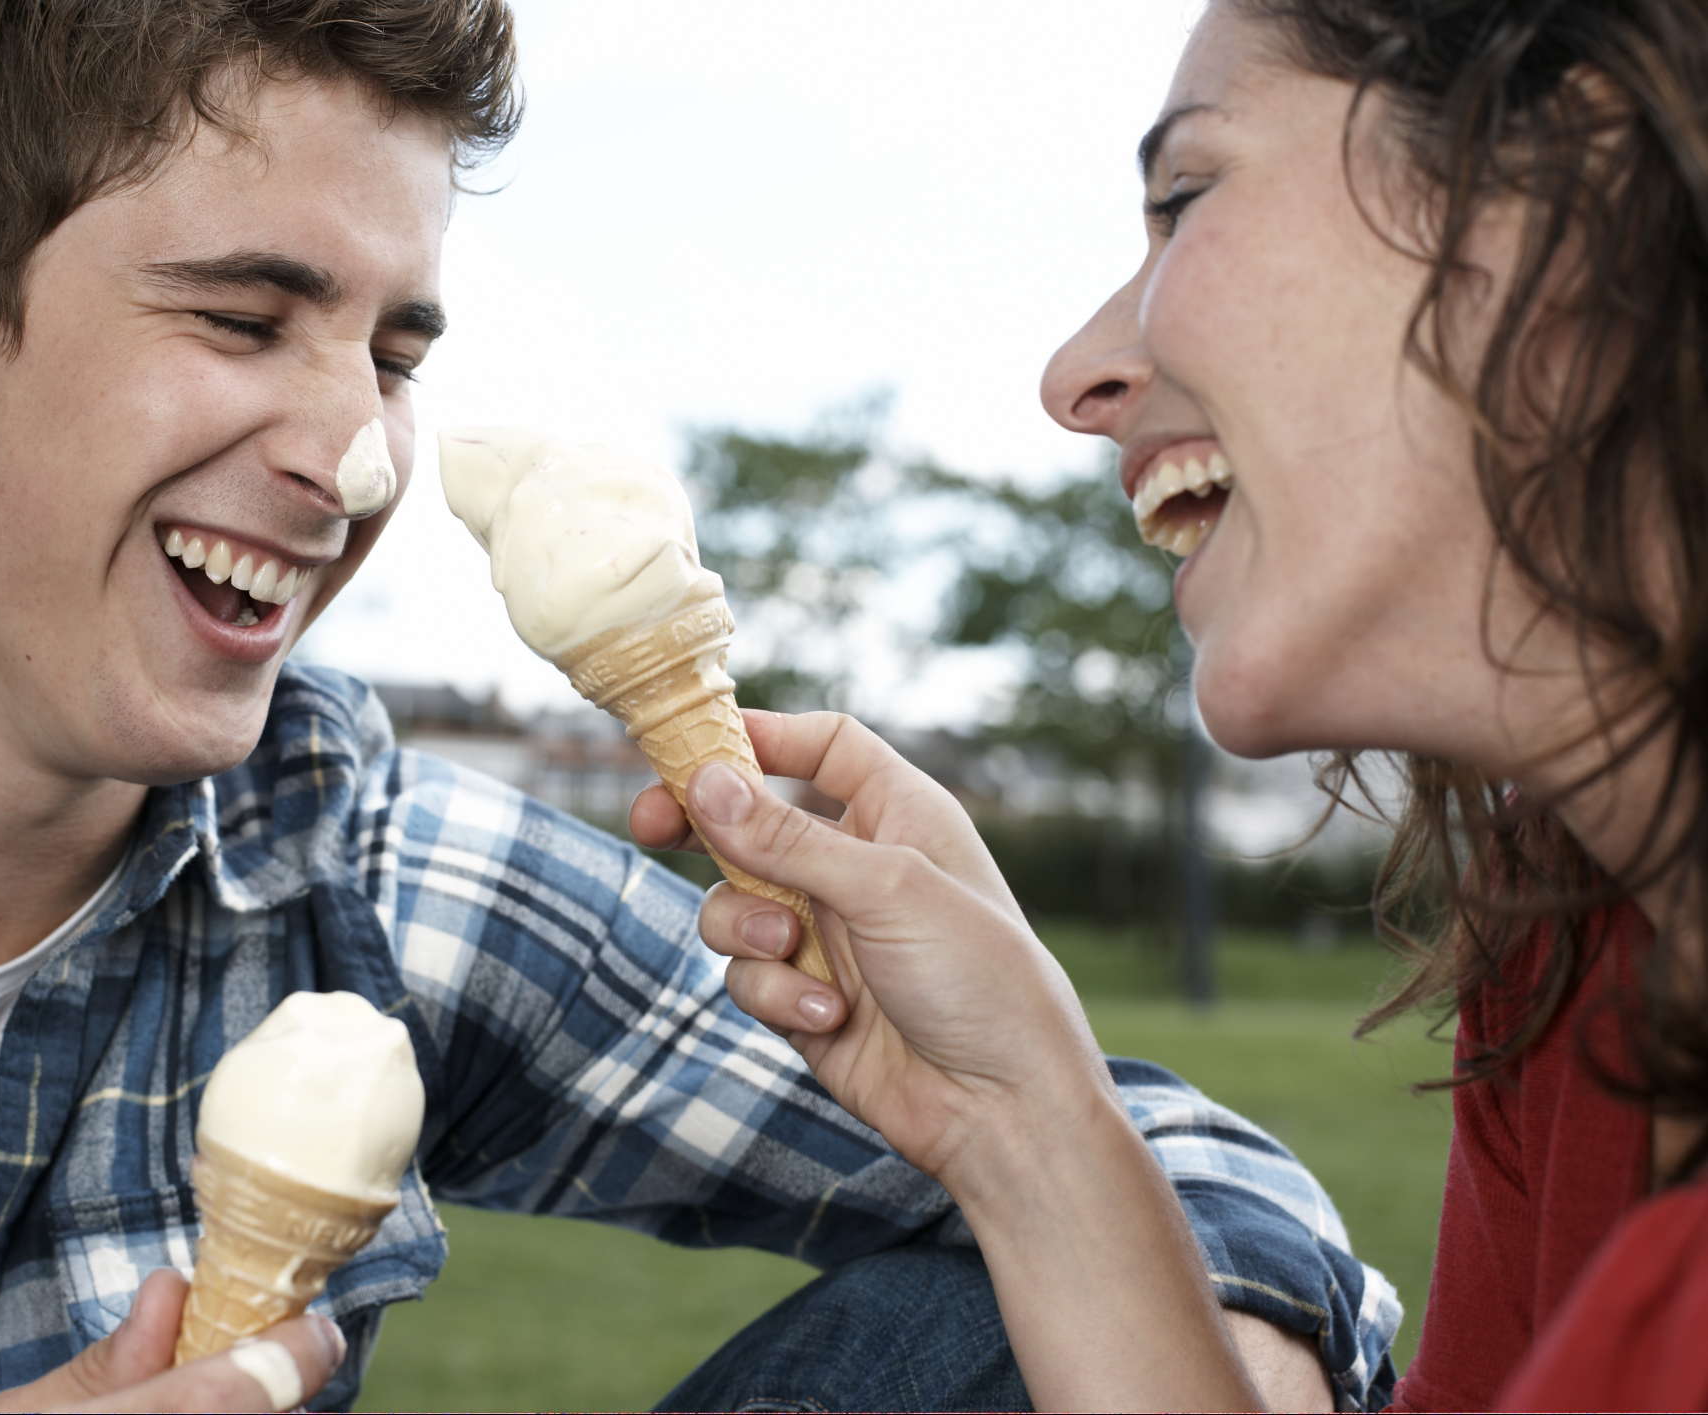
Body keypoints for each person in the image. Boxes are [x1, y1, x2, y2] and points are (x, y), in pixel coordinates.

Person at [0, 1, 1395, 1411]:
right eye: (238, 319)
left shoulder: (363, 880)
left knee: (1000, 1333)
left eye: (389, 355)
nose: (358, 462)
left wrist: (1199, 1345)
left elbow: (1204, 1181)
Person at [632, 0, 1708, 1409]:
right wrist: (1025, 1119)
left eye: (1185, 195)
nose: (1073, 375)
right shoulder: (1569, 939)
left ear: (1580, 185)